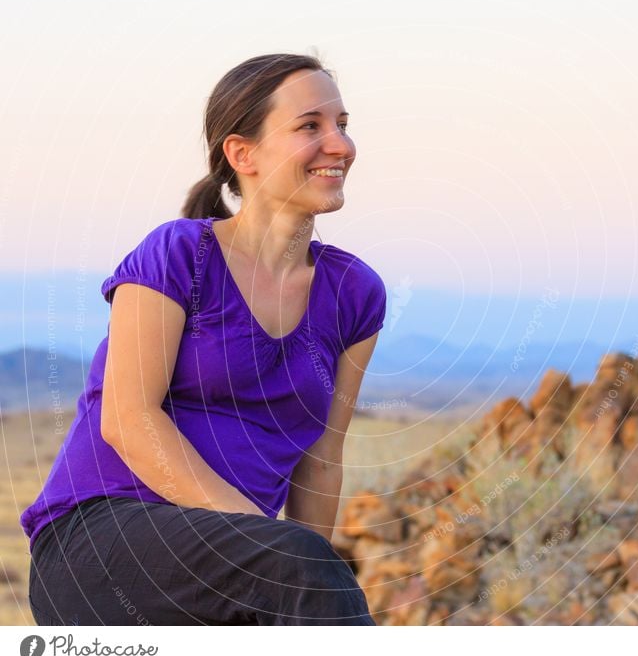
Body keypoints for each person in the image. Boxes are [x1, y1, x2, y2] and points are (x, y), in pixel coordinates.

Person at [20, 53, 386, 626]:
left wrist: (293, 575)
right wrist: (272, 548)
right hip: (100, 538)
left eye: (342, 123)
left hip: (235, 560)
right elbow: (128, 419)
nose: (340, 145)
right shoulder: (178, 254)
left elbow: (321, 461)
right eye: (310, 126)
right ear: (243, 155)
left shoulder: (355, 293)